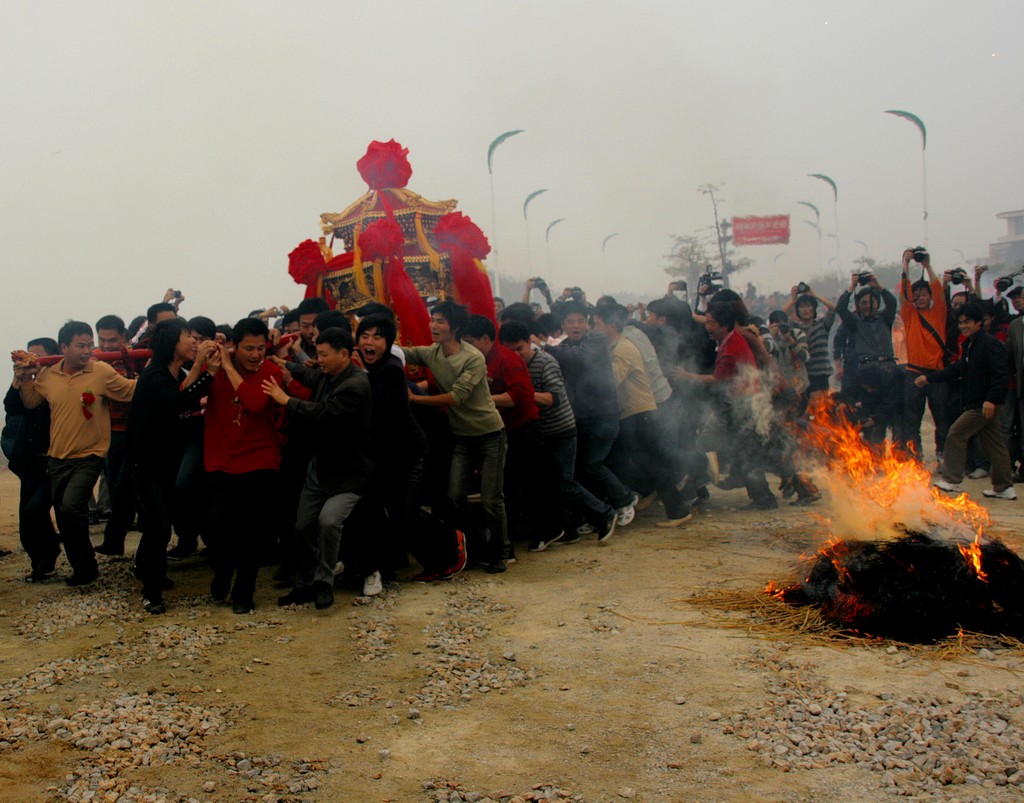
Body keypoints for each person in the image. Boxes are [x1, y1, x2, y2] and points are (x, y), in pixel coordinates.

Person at [15, 321, 137, 585]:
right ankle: (83, 566)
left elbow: (130, 391)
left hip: (90, 455)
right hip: (57, 458)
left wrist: (156, 375)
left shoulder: (101, 371)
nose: (87, 351)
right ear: (64, 347)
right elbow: (31, 401)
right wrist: (25, 378)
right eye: (81, 345)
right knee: (64, 515)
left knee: (71, 507)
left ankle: (86, 563)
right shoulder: (48, 376)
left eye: (89, 345)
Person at [353, 314, 467, 581]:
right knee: (396, 512)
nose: (369, 342)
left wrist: (359, 372)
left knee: (405, 512)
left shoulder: (391, 369)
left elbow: (375, 402)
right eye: (364, 336)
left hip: (408, 454)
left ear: (388, 342)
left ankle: (452, 538)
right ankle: (436, 563)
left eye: (377, 337)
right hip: (385, 455)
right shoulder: (370, 367)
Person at [267, 326, 374, 609]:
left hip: (349, 473)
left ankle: (324, 583)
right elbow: (309, 373)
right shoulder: (329, 374)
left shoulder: (355, 385)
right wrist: (282, 363)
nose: (320, 359)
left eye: (324, 354)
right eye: (318, 353)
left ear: (344, 354)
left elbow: (324, 413)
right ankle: (305, 583)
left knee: (328, 523)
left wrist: (285, 400)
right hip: (320, 468)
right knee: (302, 526)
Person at [404, 301, 509, 573]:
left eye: (440, 321)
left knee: (491, 498)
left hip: (489, 435)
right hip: (462, 437)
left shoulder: (473, 357)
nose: (434, 326)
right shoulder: (432, 353)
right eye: (432, 320)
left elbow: (456, 397)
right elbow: (403, 353)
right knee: (453, 496)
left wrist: (415, 398)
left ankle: (501, 548)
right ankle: (478, 544)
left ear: (456, 326)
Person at [126, 319, 220, 614]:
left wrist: (201, 368)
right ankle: (151, 593)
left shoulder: (169, 372)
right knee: (159, 526)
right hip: (146, 465)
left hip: (164, 461)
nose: (193, 341)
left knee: (158, 524)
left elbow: (182, 388)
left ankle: (147, 571)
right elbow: (178, 401)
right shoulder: (153, 376)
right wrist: (211, 374)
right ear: (171, 343)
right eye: (186, 337)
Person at [203, 317, 284, 613]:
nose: (255, 355)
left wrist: (227, 367)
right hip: (221, 459)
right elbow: (185, 395)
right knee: (217, 526)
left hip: (260, 460)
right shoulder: (213, 371)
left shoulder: (271, 371)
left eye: (260, 348)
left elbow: (254, 403)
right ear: (234, 347)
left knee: (253, 531)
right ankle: (223, 571)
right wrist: (211, 363)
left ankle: (244, 590)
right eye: (248, 348)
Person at [676, 302, 777, 509]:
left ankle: (764, 498)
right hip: (744, 402)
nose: (707, 326)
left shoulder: (730, 347)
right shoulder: (730, 338)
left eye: (712, 322)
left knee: (747, 454)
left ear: (725, 325)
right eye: (708, 321)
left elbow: (717, 378)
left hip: (745, 405)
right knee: (743, 451)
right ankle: (756, 493)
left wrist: (687, 376)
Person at [546, 301, 634, 535]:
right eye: (571, 322)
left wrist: (546, 347)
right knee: (584, 469)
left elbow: (578, 359)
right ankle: (597, 515)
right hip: (580, 415)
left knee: (592, 464)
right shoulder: (564, 347)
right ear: (563, 324)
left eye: (581, 321)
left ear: (587, 323)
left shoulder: (595, 340)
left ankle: (625, 499)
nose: (576, 326)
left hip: (604, 413)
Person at [917, 302, 1015, 499]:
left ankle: (951, 479)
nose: (963, 326)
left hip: (982, 405)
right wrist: (929, 378)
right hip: (978, 403)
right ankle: (1004, 488)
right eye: (961, 322)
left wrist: (991, 400)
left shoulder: (990, 344)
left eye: (967, 322)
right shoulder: (970, 345)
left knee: (955, 433)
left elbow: (1000, 375)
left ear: (979, 323)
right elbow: (957, 369)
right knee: (995, 444)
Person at [5, 337, 61, 581]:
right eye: (28, 356)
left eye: (38, 357)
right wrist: (19, 379)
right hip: (31, 459)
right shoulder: (27, 383)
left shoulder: (60, 382)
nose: (32, 361)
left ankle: (50, 556)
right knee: (27, 517)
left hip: (57, 456)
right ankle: (40, 560)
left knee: (35, 509)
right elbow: (12, 407)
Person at [899, 249, 951, 462]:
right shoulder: (909, 315)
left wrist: (927, 266)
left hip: (937, 375)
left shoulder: (939, 312)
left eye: (924, 294)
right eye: (916, 295)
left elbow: (939, 290)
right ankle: (915, 457)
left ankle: (942, 456)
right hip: (913, 372)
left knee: (941, 419)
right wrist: (905, 264)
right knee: (912, 420)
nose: (920, 298)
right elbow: (903, 293)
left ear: (930, 297)